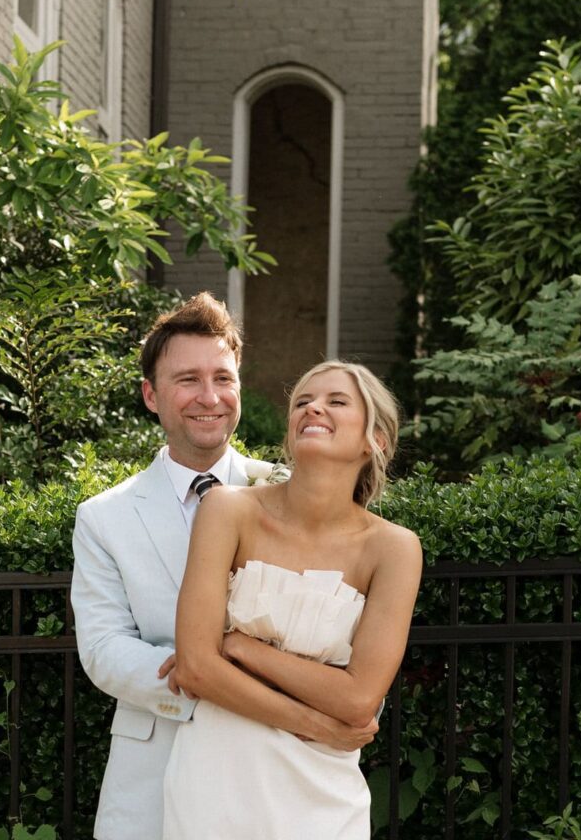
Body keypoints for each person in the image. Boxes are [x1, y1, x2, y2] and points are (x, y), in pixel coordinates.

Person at [71, 296, 379, 840]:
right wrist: (210, 678)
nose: (209, 397)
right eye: (187, 379)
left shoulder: (300, 487)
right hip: (154, 772)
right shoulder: (104, 517)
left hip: (287, 777)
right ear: (151, 395)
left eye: (223, 378)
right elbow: (104, 651)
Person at [163, 359, 423, 840]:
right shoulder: (226, 509)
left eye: (336, 401)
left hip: (325, 791)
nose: (313, 408)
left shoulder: (393, 548)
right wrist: (316, 723)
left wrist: (242, 648)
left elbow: (359, 698)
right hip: (216, 780)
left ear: (376, 441)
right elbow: (197, 666)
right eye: (303, 401)